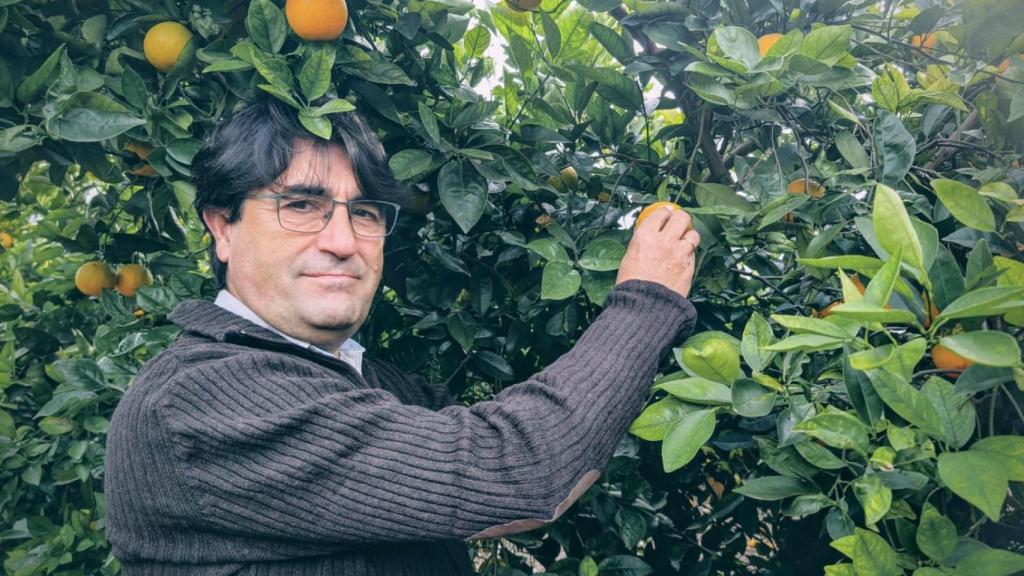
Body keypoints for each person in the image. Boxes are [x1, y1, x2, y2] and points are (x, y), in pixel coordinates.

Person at [104, 98, 701, 575]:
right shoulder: (202, 398)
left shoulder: (369, 381)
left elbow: (525, 499)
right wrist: (647, 300)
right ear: (221, 228)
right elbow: (520, 468)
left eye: (364, 213)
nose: (342, 240)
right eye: (302, 205)